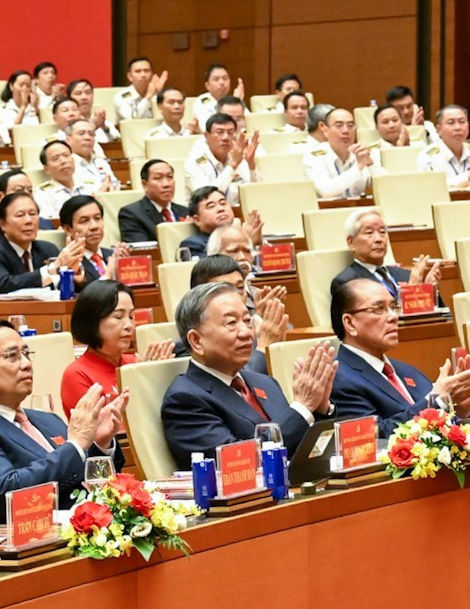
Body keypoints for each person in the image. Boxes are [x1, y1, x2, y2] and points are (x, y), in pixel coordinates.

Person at [0, 319, 127, 526]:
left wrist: (99, 444)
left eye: (26, 354)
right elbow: (8, 495)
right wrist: (77, 444)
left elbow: (79, 478)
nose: (26, 364)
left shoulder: (46, 420)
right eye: (12, 356)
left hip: (84, 535)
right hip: (28, 548)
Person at [162, 282, 336, 459]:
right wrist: (302, 408)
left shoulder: (265, 382)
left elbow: (303, 450)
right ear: (196, 341)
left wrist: (318, 411)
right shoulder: (184, 399)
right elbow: (239, 461)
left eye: (247, 321)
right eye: (231, 323)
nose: (246, 333)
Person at [329, 277, 470, 436]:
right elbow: (375, 437)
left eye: (393, 307)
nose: (393, 317)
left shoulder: (406, 371)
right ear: (349, 323)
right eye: (379, 309)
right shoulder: (338, 380)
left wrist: (461, 410)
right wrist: (437, 401)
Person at [60, 279, 173, 404]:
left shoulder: (134, 363)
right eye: (118, 317)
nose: (129, 325)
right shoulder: (77, 374)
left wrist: (157, 376)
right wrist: (142, 381)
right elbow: (105, 423)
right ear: (92, 321)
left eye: (131, 317)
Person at [0, 191, 66, 303]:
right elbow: (0, 286)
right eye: (20, 215)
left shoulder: (48, 249)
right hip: (0, 318)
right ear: (2, 224)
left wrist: (75, 275)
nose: (28, 221)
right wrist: (48, 272)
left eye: (32, 214)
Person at [334, 208, 441, 298]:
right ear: (351, 242)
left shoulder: (406, 275)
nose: (378, 239)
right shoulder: (347, 282)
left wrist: (427, 291)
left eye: (382, 232)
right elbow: (375, 316)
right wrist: (411, 292)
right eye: (369, 233)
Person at [417, 104, 470, 188]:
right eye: (451, 122)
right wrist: (468, 176)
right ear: (439, 130)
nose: (457, 127)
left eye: (462, 121)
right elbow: (431, 187)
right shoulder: (427, 156)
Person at [304, 106, 375, 200]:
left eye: (350, 125)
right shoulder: (313, 157)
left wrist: (371, 165)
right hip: (328, 212)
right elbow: (326, 191)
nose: (346, 131)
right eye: (339, 125)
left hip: (360, 210)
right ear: (324, 128)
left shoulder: (360, 153)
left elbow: (386, 186)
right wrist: (358, 167)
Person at [185, 112, 257, 205]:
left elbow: (257, 192)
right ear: (207, 136)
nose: (226, 137)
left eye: (230, 132)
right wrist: (233, 165)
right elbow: (207, 198)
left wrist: (251, 164)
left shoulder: (237, 158)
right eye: (219, 132)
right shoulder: (194, 163)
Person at [118, 159, 189, 243]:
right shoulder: (131, 214)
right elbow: (141, 251)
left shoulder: (185, 211)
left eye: (170, 177)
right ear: (145, 185)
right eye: (158, 178)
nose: (166, 184)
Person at [58, 195, 113, 287]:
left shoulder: (113, 256)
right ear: (68, 229)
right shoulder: (66, 263)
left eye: (97, 218)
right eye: (84, 221)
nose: (94, 226)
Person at [178, 186, 236, 261]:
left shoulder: (241, 235)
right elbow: (213, 269)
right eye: (211, 206)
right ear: (197, 220)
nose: (220, 209)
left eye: (223, 203)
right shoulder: (193, 245)